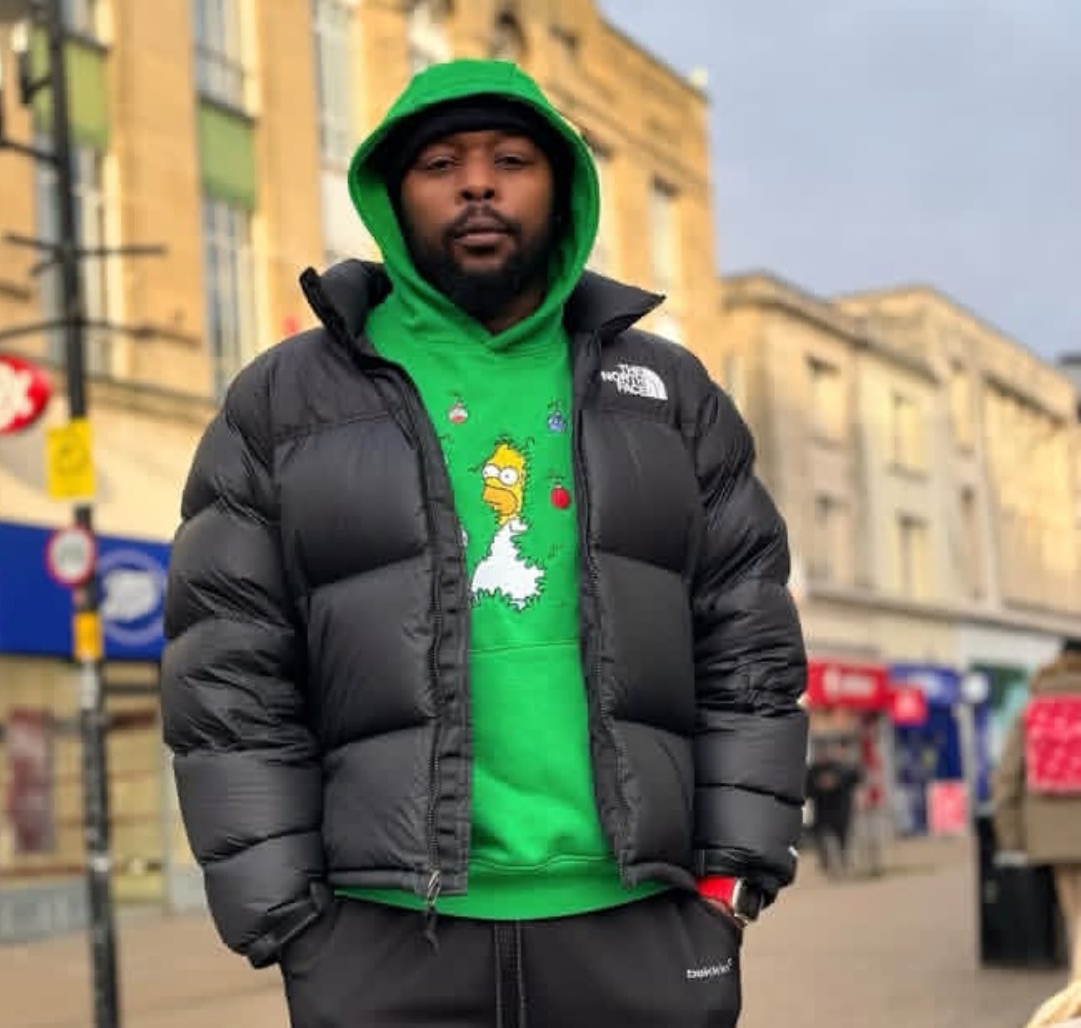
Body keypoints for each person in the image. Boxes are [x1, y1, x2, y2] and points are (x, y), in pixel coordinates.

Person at [162, 58, 808, 1027]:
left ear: (563, 188)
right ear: (391, 196)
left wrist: (732, 879)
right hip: (383, 937)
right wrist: (288, 916)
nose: (476, 184)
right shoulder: (285, 400)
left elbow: (748, 644)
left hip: (642, 922)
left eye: (510, 159)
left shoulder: (669, 395)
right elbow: (228, 668)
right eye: (440, 163)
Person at [994, 638, 1081, 981]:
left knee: (1074, 912)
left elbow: (1007, 776)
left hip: (1050, 833)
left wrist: (1011, 835)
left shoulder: (1031, 709)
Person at [804, 741, 861, 878]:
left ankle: (844, 863)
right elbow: (806, 790)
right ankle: (826, 864)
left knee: (843, 839)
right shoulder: (813, 770)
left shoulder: (842, 766)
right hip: (822, 811)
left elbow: (855, 778)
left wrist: (836, 781)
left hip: (841, 810)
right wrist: (819, 785)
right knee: (820, 837)